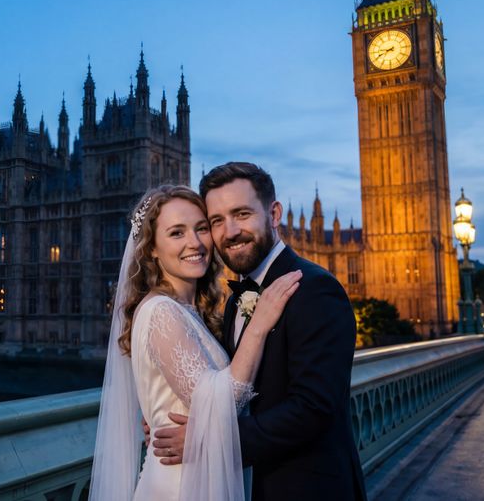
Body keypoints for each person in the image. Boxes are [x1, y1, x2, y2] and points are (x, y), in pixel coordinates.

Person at [152, 162, 367, 500]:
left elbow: (313, 409)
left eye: (242, 214)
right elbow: (232, 386)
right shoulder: (236, 299)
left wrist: (208, 441)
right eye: (217, 221)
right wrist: (170, 415)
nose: (230, 231)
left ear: (274, 213)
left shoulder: (315, 288)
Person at [90, 185, 301, 500]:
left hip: (198, 478)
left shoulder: (187, 310)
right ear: (151, 250)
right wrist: (259, 324)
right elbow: (224, 401)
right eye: (177, 233)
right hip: (179, 486)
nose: (195, 242)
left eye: (201, 228)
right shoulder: (161, 311)